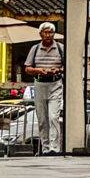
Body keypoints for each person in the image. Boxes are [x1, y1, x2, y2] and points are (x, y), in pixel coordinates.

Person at [23, 21, 63, 156]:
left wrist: (57, 70)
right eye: (45, 32)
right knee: (42, 119)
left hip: (55, 84)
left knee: (53, 117)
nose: (48, 35)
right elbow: (27, 68)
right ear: (40, 34)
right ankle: (45, 148)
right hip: (40, 84)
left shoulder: (60, 48)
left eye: (51, 32)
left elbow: (67, 66)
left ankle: (55, 147)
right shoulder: (34, 49)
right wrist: (38, 70)